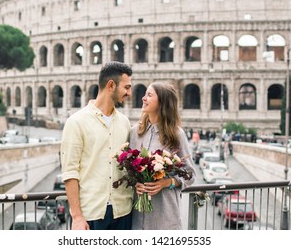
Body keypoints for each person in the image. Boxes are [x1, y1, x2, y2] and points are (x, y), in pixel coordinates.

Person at [60, 61, 134, 230]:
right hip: (91, 215)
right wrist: (77, 217)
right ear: (111, 85)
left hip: (123, 212)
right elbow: (70, 172)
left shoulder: (125, 123)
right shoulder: (76, 122)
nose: (129, 93)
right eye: (127, 87)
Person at [129, 82, 196, 230]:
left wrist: (166, 183)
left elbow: (190, 175)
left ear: (162, 102)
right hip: (137, 218)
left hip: (165, 218)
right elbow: (128, 170)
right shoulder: (135, 132)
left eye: (149, 95)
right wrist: (135, 183)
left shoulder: (176, 135)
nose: (143, 98)